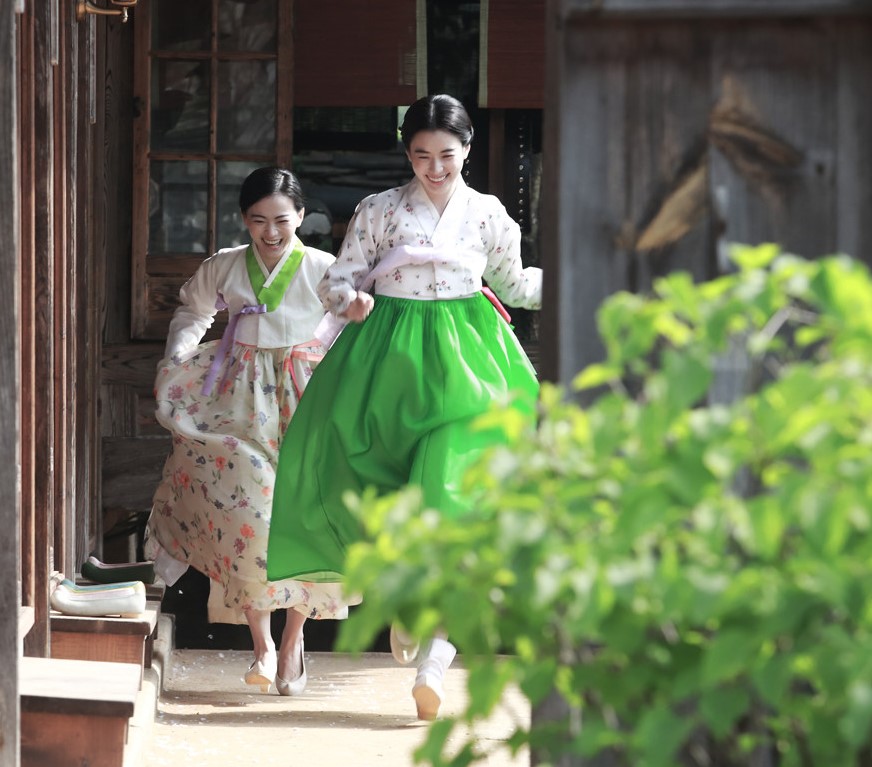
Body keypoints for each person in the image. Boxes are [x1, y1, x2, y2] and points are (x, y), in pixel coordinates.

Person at [266, 95, 543, 719]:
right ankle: (410, 601)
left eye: (446, 155)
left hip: (469, 363)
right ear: (407, 153)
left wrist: (588, 278)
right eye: (421, 156)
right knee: (382, 491)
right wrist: (350, 302)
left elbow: (516, 285)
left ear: (466, 149)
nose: (435, 168)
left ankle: (435, 660)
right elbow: (339, 280)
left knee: (452, 500)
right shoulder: (379, 210)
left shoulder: (489, 214)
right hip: (387, 360)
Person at [145, 166, 351, 697]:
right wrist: (178, 359)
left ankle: (293, 640)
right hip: (238, 397)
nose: (271, 231)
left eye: (281, 219)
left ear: (301, 216)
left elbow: (351, 323)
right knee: (248, 513)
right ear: (244, 219)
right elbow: (193, 311)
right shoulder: (225, 265)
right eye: (259, 220)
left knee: (306, 516)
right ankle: (261, 643)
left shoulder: (324, 268)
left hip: (305, 395)